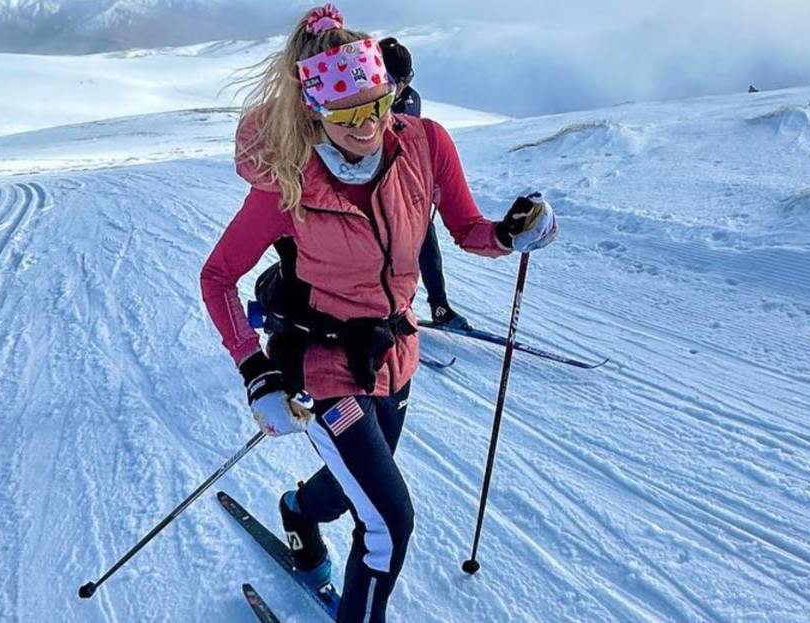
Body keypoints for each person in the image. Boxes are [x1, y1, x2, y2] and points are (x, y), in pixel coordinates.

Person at [198, 5, 558, 622]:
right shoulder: (288, 182)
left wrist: (511, 233)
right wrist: (255, 371)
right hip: (322, 368)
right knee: (391, 522)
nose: (368, 125)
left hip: (395, 354)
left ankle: (296, 511)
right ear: (315, 109)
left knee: (348, 493)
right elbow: (218, 278)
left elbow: (468, 229)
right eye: (347, 113)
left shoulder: (424, 144)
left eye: (377, 103)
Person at [379, 36, 473, 330]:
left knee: (426, 243)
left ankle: (439, 306)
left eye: (405, 79)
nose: (401, 86)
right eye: (393, 79)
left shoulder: (410, 100)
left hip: (405, 193)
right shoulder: (361, 100)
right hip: (367, 194)